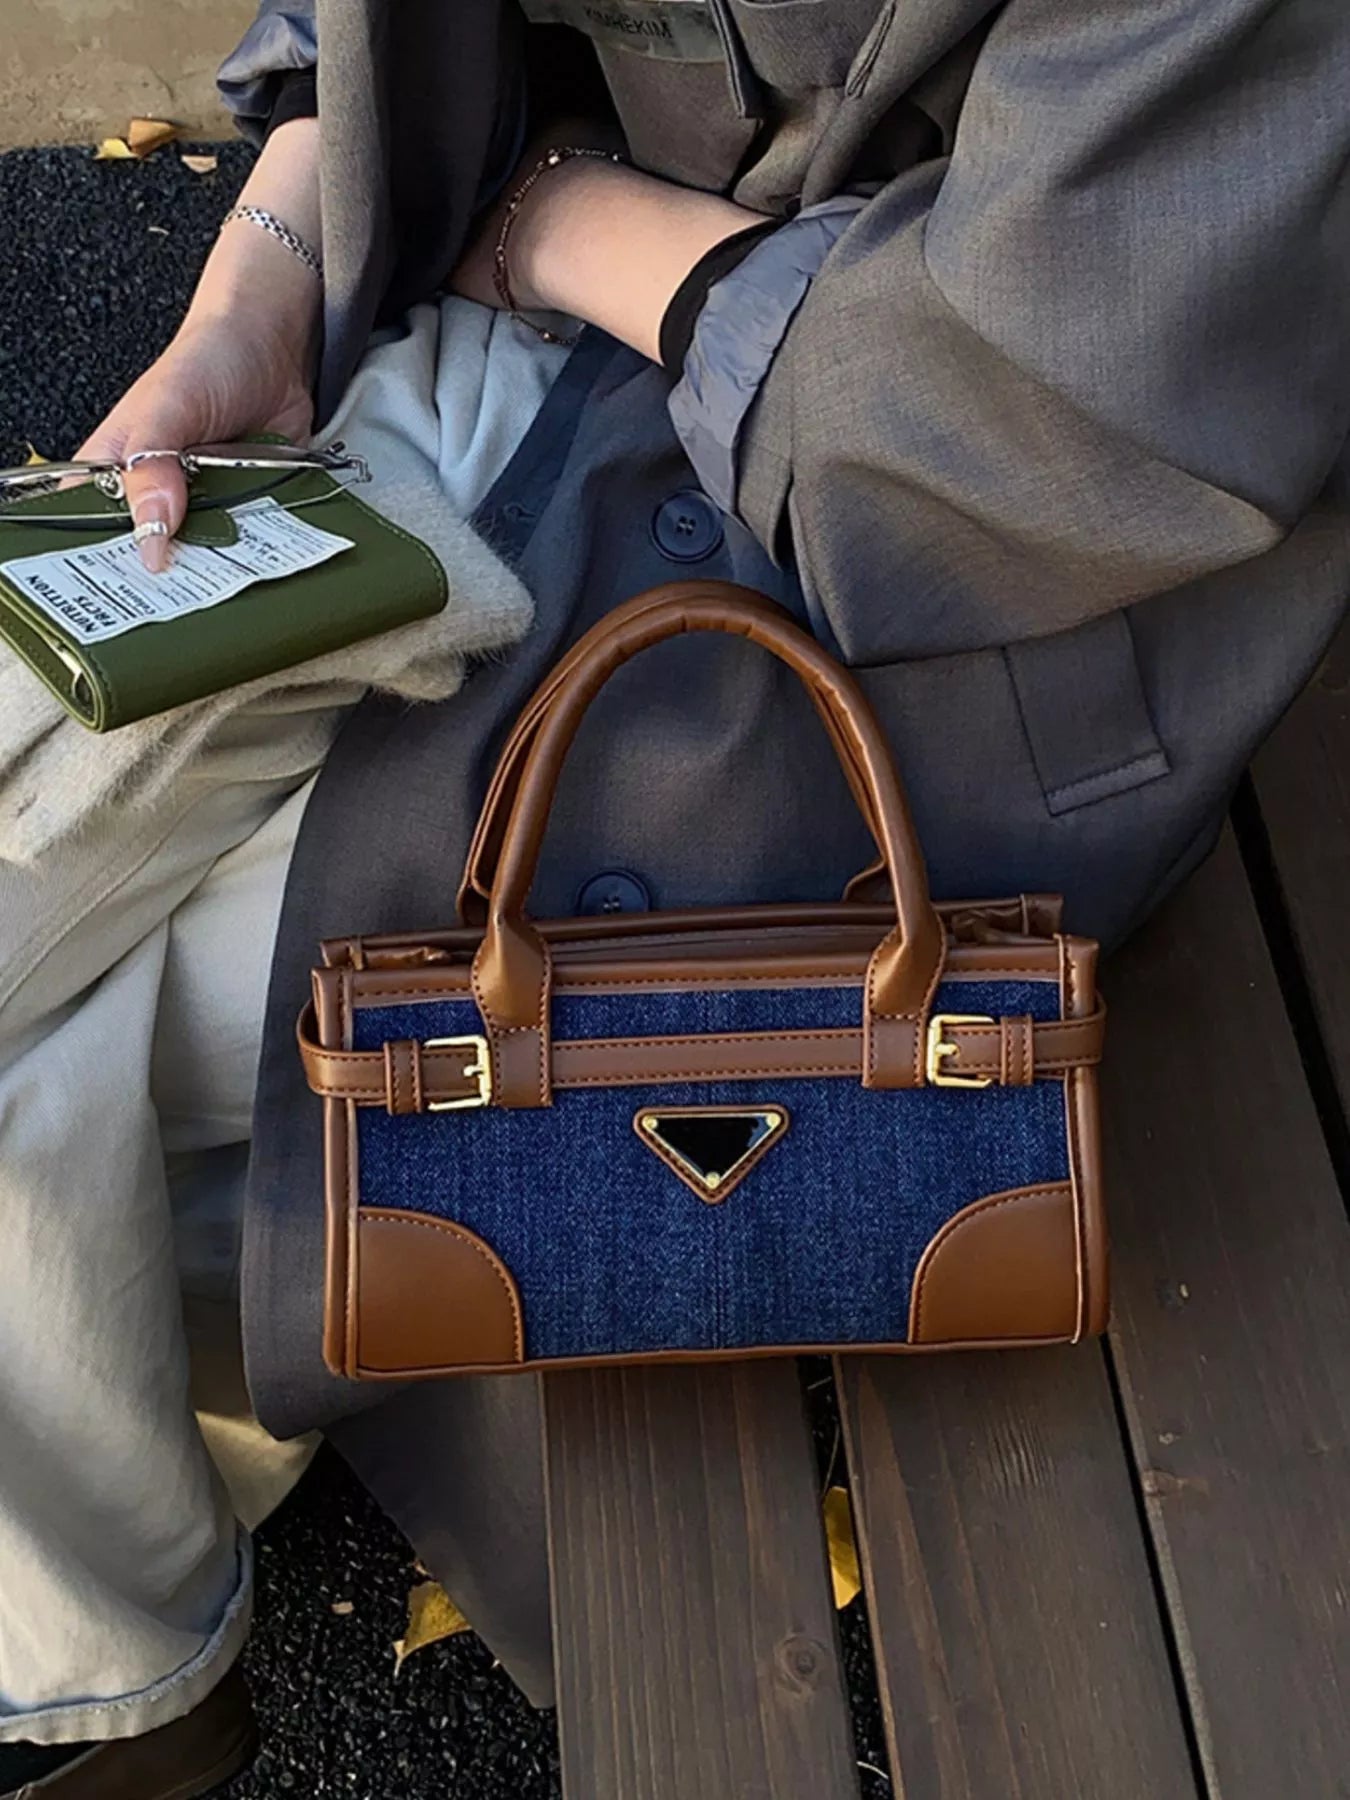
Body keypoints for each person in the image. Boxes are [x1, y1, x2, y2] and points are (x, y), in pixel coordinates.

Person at [2, 0, 1347, 1793]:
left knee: (79, 1024)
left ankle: (108, 1679)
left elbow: (1062, 402)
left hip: (945, 589)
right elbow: (362, 33)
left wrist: (546, 214)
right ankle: (107, 1660)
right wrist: (249, 306)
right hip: (503, 358)